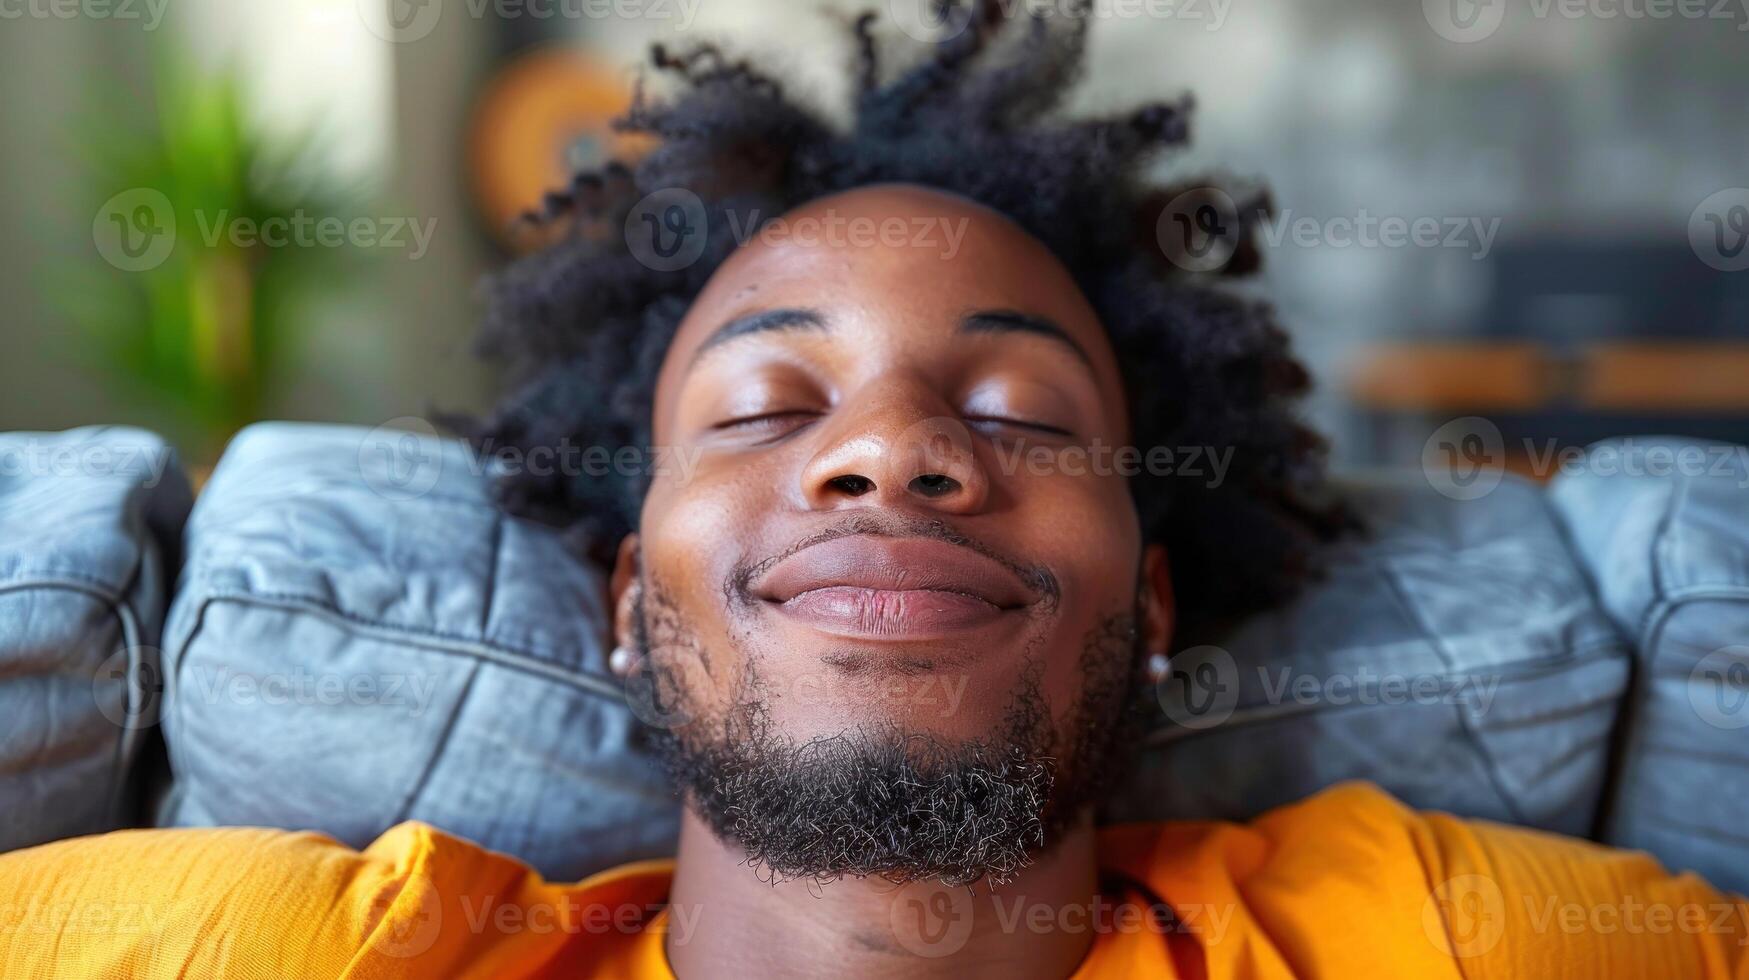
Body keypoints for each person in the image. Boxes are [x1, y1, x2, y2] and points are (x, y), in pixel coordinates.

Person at [3, 5, 1743, 978]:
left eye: (1018, 411)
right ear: (625, 605)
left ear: (1147, 608)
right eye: (768, 404)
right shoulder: (286, 956)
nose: (892, 449)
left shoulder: (1450, 944)